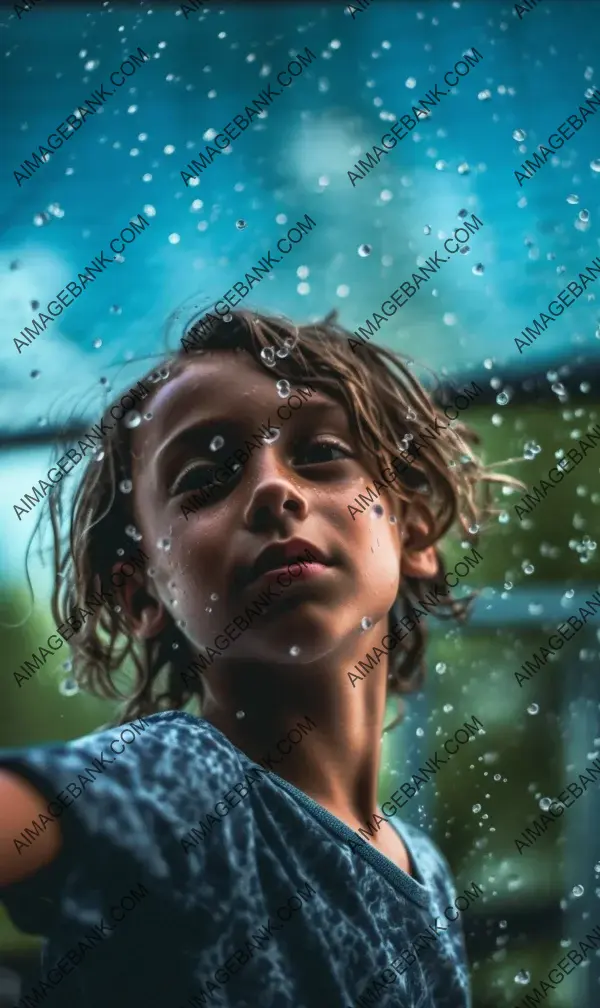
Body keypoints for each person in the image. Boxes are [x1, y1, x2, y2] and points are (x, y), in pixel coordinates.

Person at [0, 308, 516, 1008]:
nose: (275, 490)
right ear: (142, 594)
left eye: (322, 453)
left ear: (414, 530)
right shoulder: (185, 780)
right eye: (206, 478)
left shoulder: (426, 870)